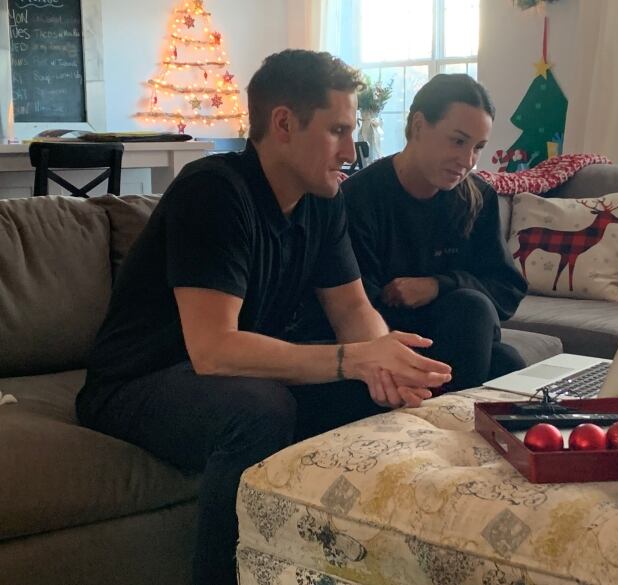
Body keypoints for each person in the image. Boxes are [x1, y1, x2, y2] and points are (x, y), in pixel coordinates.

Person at [76, 50, 451, 585]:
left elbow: (352, 309)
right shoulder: (214, 192)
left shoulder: (323, 200)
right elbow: (214, 350)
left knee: (376, 390)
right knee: (260, 409)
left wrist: (387, 366)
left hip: (221, 373)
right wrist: (353, 359)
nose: (352, 149)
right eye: (338, 130)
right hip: (136, 381)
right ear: (283, 124)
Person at [341, 73, 528, 392]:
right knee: (480, 321)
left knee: (504, 356)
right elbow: (355, 304)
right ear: (418, 126)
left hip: (459, 331)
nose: (467, 160)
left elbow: (507, 289)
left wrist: (438, 285)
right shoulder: (361, 197)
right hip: (388, 340)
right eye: (458, 141)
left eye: (478, 147)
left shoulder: (478, 197)